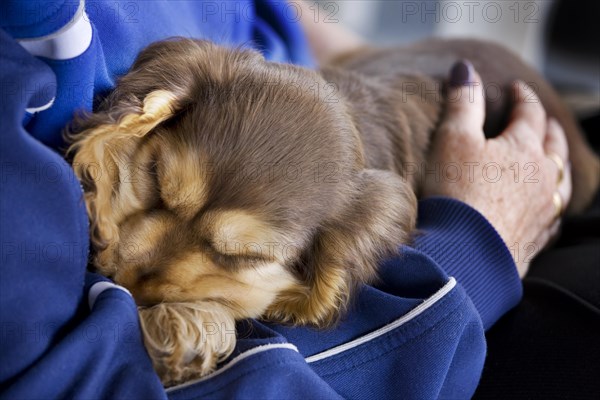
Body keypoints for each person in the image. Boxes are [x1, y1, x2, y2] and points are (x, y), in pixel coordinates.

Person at [0, 1, 594, 398]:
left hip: (396, 102)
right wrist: (478, 249)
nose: (134, 260)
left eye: (234, 254)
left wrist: (332, 46)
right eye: (155, 181)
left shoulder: (339, 234)